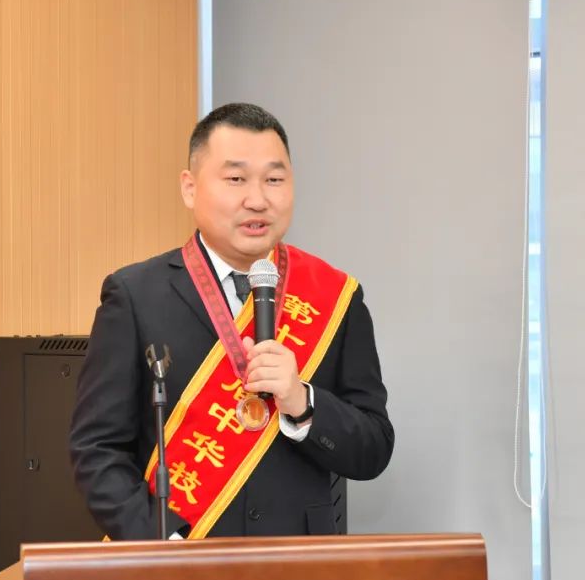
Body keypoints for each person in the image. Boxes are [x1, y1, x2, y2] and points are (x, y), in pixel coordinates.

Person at [68, 102, 393, 541]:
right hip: (180, 560)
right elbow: (97, 450)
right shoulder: (135, 296)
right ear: (190, 188)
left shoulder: (335, 296)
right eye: (236, 179)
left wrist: (302, 401)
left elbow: (373, 448)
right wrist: (166, 544)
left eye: (274, 180)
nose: (257, 199)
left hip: (298, 565)